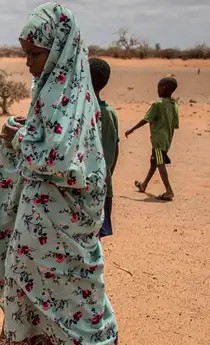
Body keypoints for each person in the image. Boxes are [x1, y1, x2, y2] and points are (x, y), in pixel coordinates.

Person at [0, 2, 140, 345]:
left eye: (34, 54)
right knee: (74, 305)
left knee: (33, 298)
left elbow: (63, 160)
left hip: (48, 226)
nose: (28, 64)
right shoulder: (76, 95)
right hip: (63, 227)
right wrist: (27, 129)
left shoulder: (59, 95)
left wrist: (18, 136)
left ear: (58, 50)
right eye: (26, 53)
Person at [127, 77, 180, 201]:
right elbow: (175, 124)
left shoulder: (158, 104)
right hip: (167, 140)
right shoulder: (174, 105)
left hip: (158, 141)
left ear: (163, 88)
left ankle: (169, 191)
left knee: (160, 164)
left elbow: (146, 119)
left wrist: (132, 129)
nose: (157, 90)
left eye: (158, 87)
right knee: (154, 162)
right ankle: (144, 184)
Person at [90, 58, 118, 237]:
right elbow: (115, 150)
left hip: (81, 186)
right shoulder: (109, 113)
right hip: (104, 184)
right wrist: (108, 174)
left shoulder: (82, 112)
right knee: (96, 236)